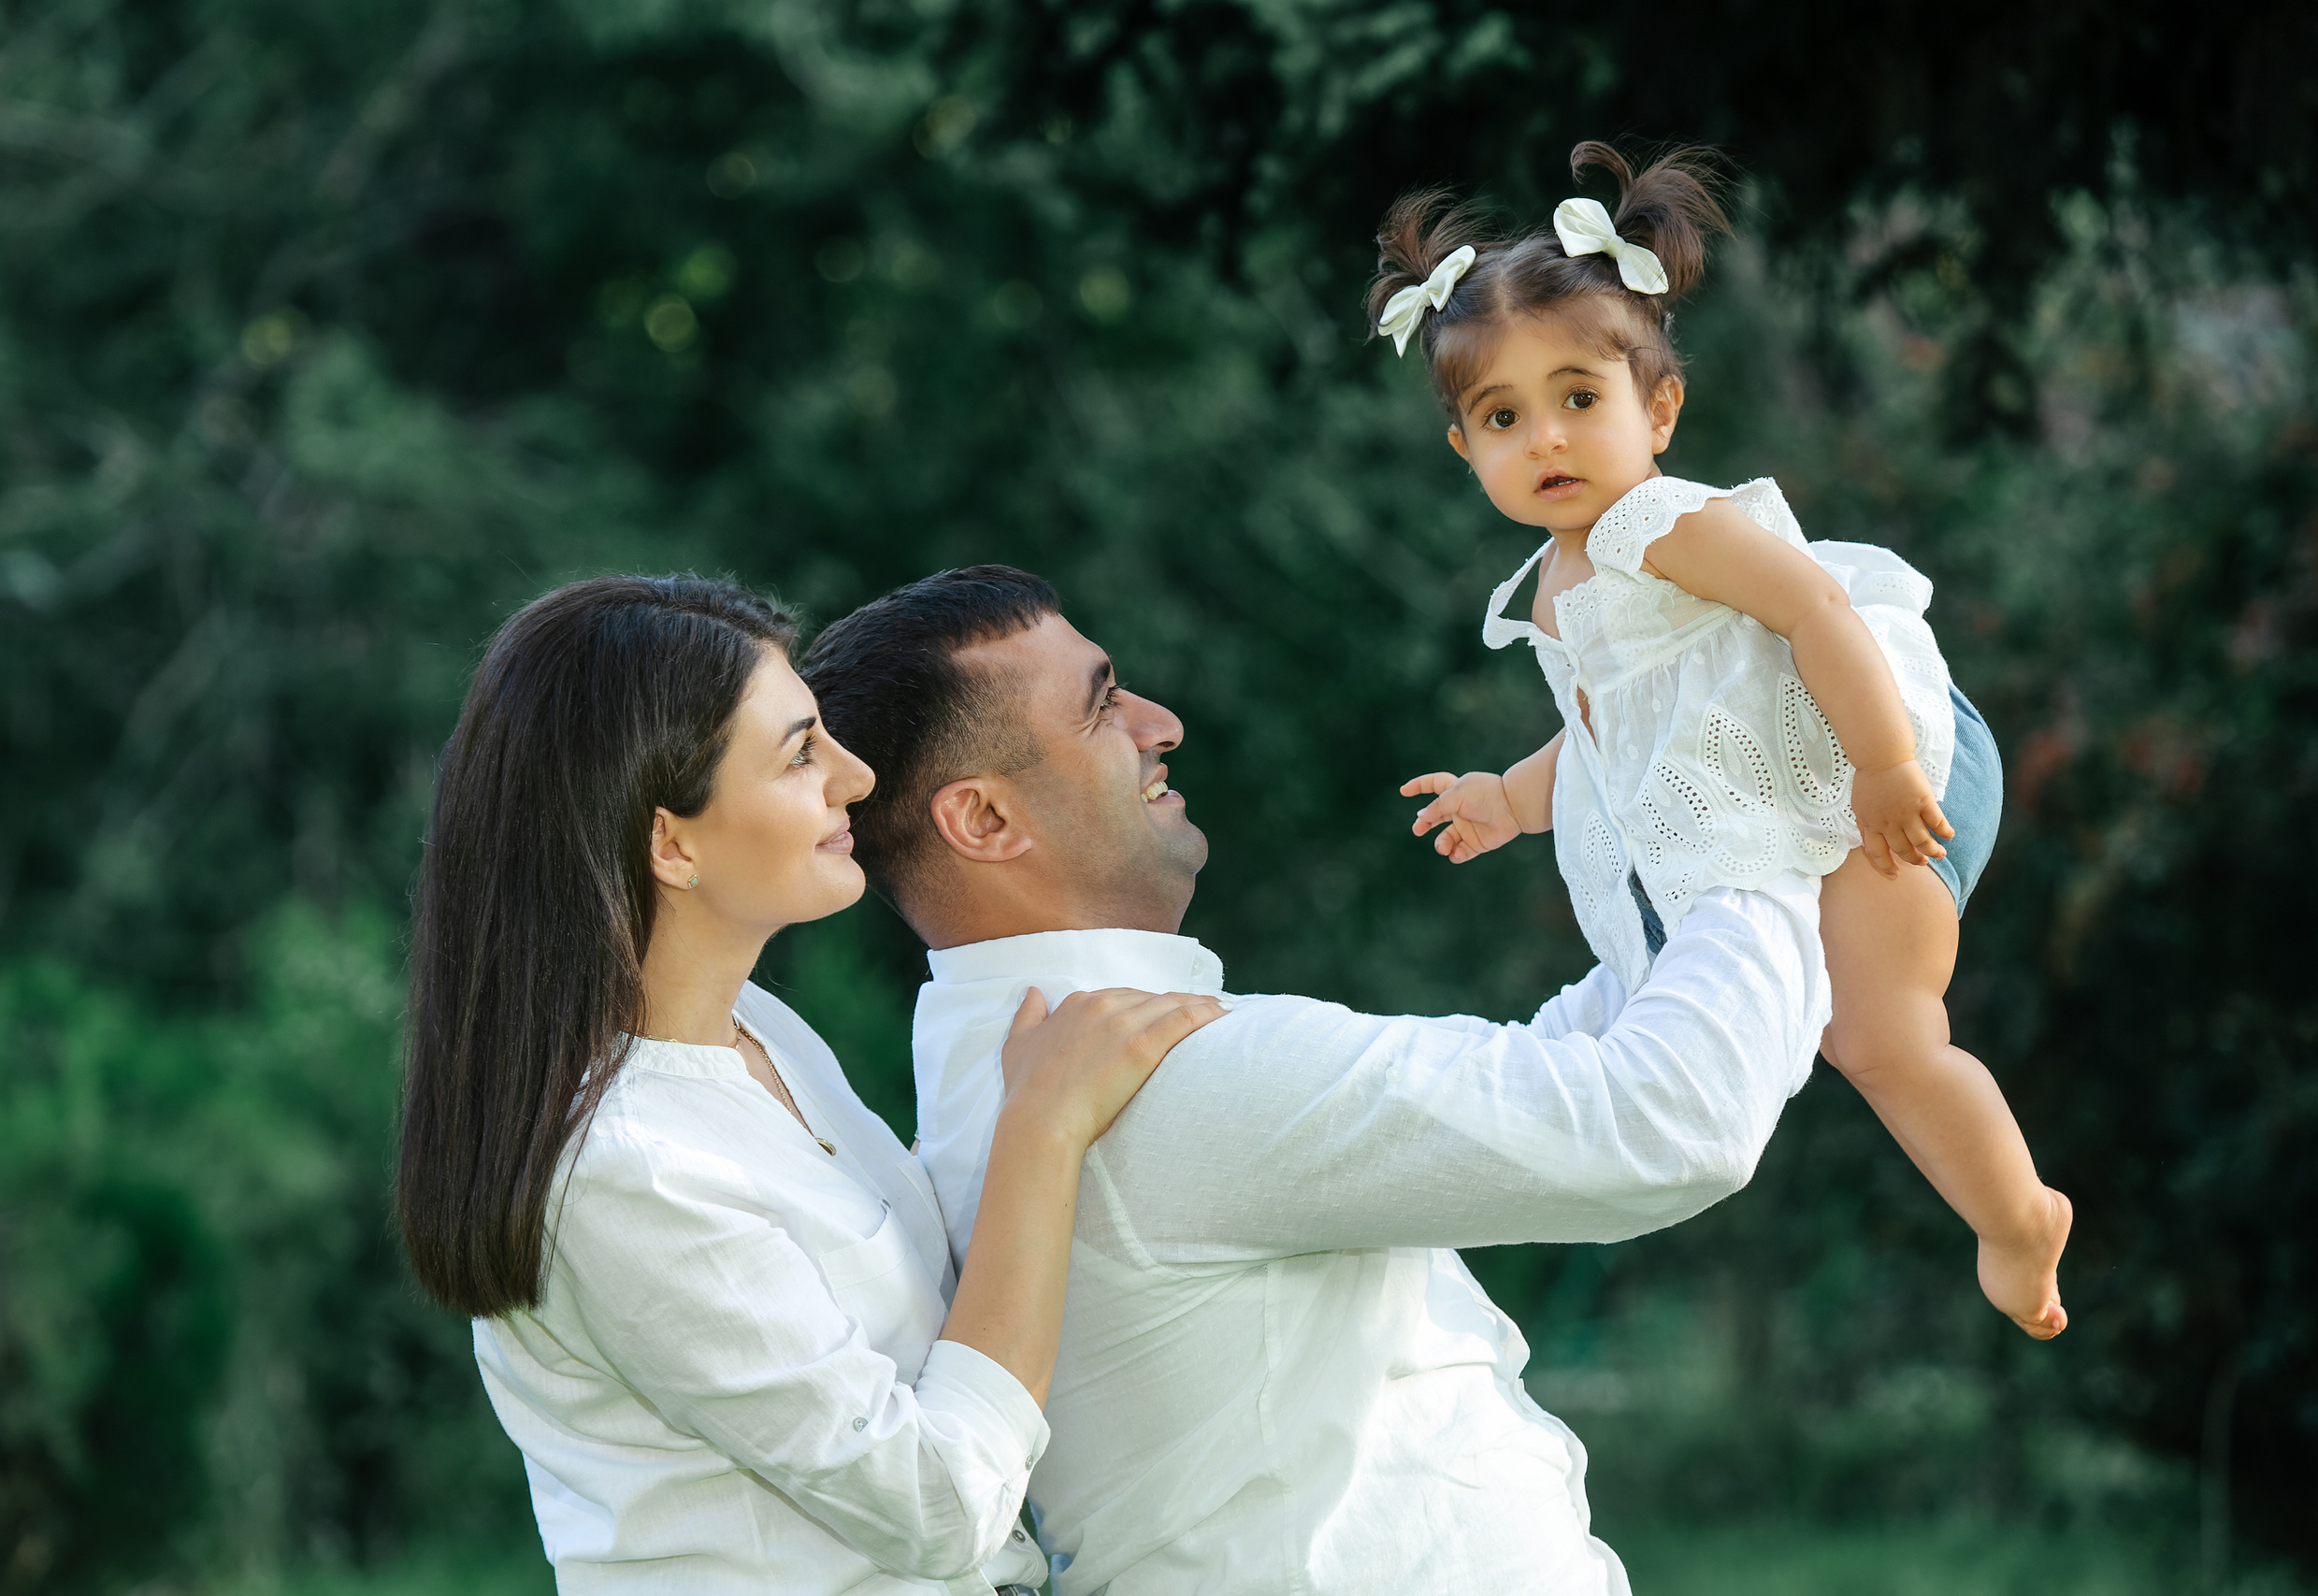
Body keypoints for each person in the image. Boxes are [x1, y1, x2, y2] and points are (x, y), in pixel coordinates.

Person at [800, 565, 1833, 1596]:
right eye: (1102, 704)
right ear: (983, 822)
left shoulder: (1029, 1063)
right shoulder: (1165, 1082)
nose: (1160, 724)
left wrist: (1729, 881)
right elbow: (1666, 1120)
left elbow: (1572, 1065)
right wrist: (1764, 820)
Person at [394, 574, 1220, 1594]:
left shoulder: (759, 1035)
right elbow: (938, 1508)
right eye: (800, 753)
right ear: (671, 841)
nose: (858, 776)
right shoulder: (627, 1173)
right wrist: (1037, 1134)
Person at [1374, 142, 2068, 1339]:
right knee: (1855, 1037)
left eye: (1578, 399)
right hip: (1815, 779)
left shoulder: (1657, 521)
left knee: (1884, 1034)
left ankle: (2018, 1224)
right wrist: (1509, 794)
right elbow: (1618, 735)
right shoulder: (1554, 581)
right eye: (1503, 416)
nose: (1545, 439)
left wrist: (1887, 769)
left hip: (1884, 761)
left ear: (1659, 409)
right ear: (1464, 449)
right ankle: (2007, 1216)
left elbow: (1816, 607)